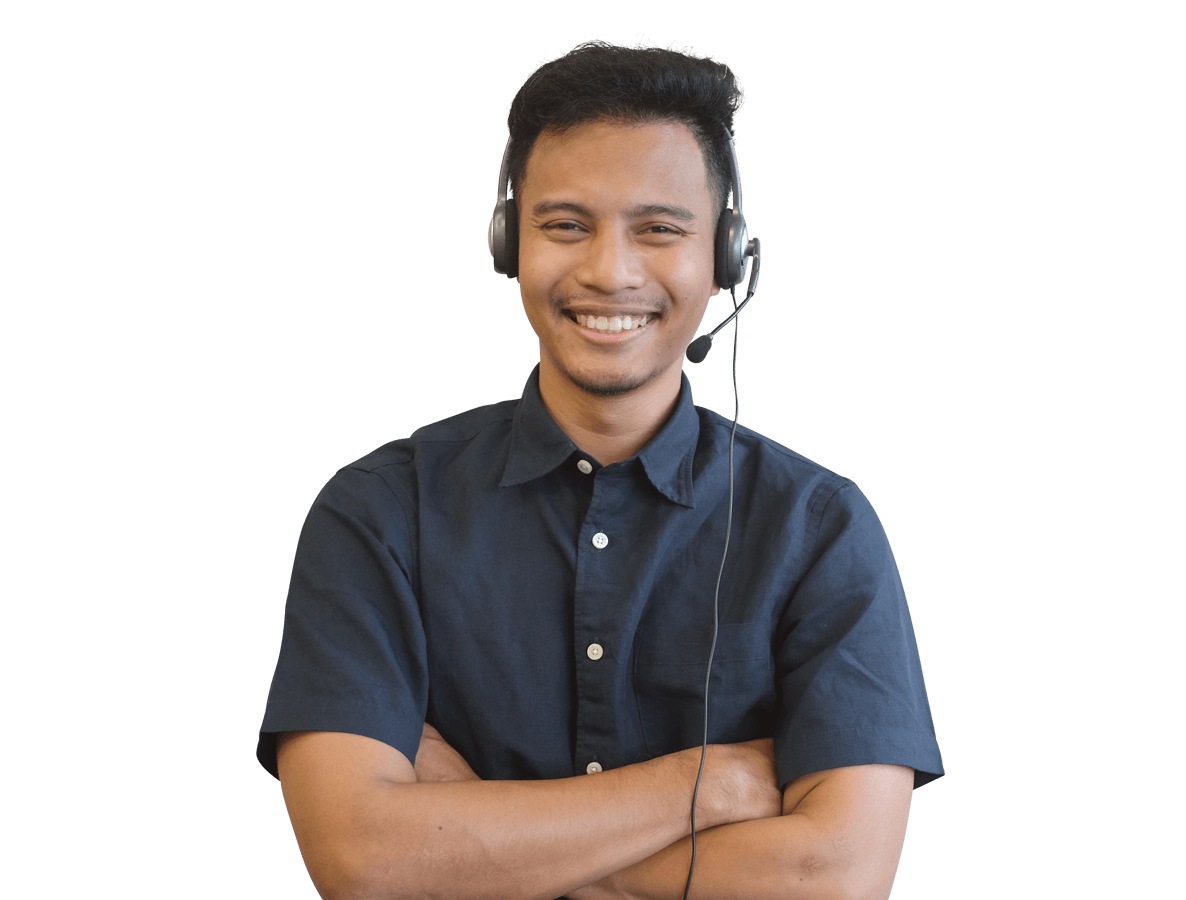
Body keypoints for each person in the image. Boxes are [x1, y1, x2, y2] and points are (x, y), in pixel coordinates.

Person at [257, 40, 943, 899]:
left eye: (659, 229)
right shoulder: (376, 512)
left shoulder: (822, 525)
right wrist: (713, 785)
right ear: (510, 242)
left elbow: (837, 874)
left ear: (726, 258)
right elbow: (362, 861)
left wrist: (475, 840)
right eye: (566, 225)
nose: (609, 271)